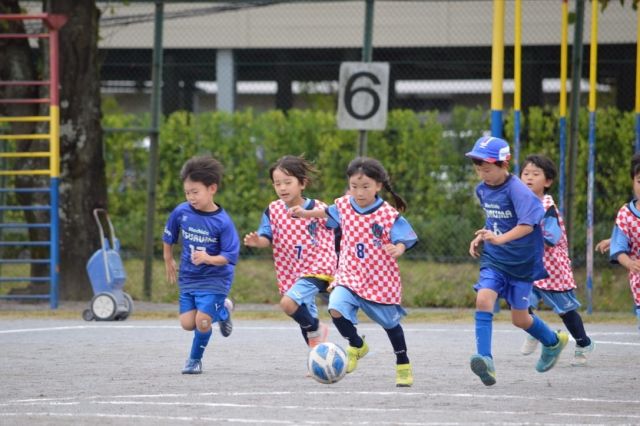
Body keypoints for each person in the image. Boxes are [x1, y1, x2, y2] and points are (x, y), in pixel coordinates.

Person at [290, 157, 418, 387]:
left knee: (391, 325)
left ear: (378, 185)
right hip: (349, 274)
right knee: (335, 308)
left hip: (379, 279)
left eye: (365, 186)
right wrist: (304, 213)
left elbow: (404, 238)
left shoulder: (387, 214)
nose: (359, 192)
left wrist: (397, 248)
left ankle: (403, 362)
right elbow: (326, 213)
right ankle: (357, 345)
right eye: (354, 186)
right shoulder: (344, 205)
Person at [466, 136, 568, 386]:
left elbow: (526, 225)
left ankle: (553, 342)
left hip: (522, 263)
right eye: (478, 168)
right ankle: (485, 360)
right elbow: (495, 221)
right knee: (483, 299)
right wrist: (483, 235)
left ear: (504, 164)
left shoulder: (519, 191)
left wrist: (500, 239)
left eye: (487, 168)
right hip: (495, 259)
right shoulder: (482, 189)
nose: (482, 174)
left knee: (520, 319)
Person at [243, 155, 336, 349]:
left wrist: (308, 214)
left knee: (287, 304)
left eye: (287, 182)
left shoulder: (319, 208)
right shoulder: (273, 210)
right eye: (277, 183)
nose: (282, 188)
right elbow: (266, 237)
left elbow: (338, 218)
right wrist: (257, 242)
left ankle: (318, 328)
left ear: (302, 183)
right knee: (302, 313)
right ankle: (318, 355)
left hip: (318, 267)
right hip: (291, 271)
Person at [163, 155, 240, 374]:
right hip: (189, 277)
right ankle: (224, 309)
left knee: (203, 322)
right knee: (188, 323)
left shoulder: (222, 222)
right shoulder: (181, 212)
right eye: (187, 192)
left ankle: (194, 360)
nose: (191, 197)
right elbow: (169, 235)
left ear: (212, 188)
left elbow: (228, 256)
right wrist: (168, 258)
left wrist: (207, 258)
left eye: (195, 192)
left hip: (216, 279)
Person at [518, 154, 595, 366]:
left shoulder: (546, 206)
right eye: (525, 173)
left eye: (535, 174)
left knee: (566, 311)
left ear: (548, 181)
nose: (529, 178)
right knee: (521, 303)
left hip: (553, 267)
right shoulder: (520, 203)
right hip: (531, 266)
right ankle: (537, 331)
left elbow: (551, 237)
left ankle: (583, 342)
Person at [605, 153, 640, 332]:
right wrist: (630, 263)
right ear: (633, 182)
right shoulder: (626, 214)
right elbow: (619, 247)